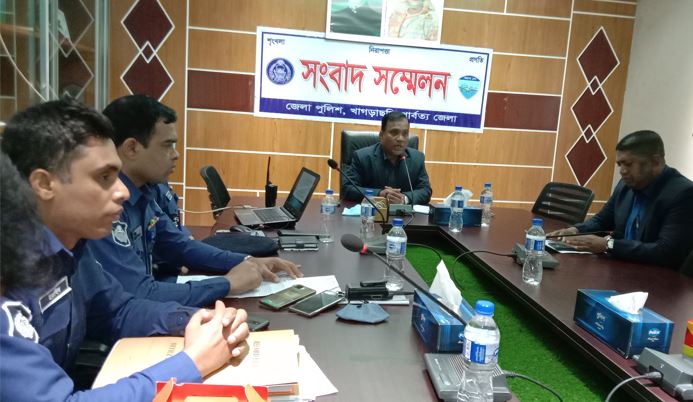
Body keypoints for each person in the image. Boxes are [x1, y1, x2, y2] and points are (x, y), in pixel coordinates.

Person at [0, 99, 249, 401]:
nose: (122, 191)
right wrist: (193, 363)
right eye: (104, 178)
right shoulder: (8, 276)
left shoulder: (73, 248)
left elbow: (119, 311)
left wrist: (198, 320)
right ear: (44, 184)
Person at [90, 95, 302, 307]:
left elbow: (178, 245)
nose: (176, 154)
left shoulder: (144, 191)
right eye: (167, 145)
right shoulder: (106, 208)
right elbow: (138, 293)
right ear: (131, 148)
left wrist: (247, 261)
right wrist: (227, 283)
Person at [549, 130, 693, 269]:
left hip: (657, 277)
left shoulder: (683, 193)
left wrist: (609, 245)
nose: (622, 171)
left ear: (655, 162)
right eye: (620, 165)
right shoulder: (625, 185)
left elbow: (667, 252)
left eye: (628, 164)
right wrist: (576, 229)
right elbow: (603, 219)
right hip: (621, 267)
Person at [342, 111, 432, 205]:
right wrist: (380, 194)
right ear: (381, 136)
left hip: (404, 213)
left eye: (405, 134)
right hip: (370, 212)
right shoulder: (362, 157)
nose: (400, 139)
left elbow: (425, 190)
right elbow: (347, 189)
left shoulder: (417, 158)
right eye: (394, 133)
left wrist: (404, 198)